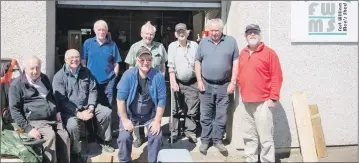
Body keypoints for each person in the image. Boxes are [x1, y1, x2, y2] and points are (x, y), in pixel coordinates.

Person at [53, 49, 114, 162]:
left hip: (87, 106)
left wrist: (91, 106)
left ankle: (103, 140)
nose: (75, 60)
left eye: (77, 57)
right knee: (72, 125)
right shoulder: (59, 77)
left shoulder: (86, 72)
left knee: (106, 112)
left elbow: (93, 90)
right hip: (70, 111)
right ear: (65, 60)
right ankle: (75, 150)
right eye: (71, 58)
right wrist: (77, 113)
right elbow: (61, 100)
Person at [9, 56, 70, 163]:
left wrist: (58, 112)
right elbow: (14, 110)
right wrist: (28, 129)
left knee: (64, 137)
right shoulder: (17, 85)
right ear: (25, 69)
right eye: (32, 68)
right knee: (50, 137)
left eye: (37, 68)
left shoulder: (44, 78)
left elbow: (52, 96)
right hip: (35, 120)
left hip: (52, 118)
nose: (35, 71)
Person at [237, 24, 283, 163]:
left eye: (255, 32)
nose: (252, 34)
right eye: (249, 32)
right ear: (245, 36)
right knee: (249, 136)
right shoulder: (243, 53)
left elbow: (277, 76)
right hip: (246, 102)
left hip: (263, 102)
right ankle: (251, 160)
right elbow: (240, 74)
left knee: (265, 138)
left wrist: (273, 98)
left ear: (259, 34)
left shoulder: (269, 53)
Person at [194, 18, 239, 155]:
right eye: (211, 30)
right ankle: (205, 141)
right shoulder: (203, 42)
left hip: (224, 85)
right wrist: (199, 80)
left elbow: (236, 62)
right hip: (206, 84)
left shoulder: (231, 42)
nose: (214, 33)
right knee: (205, 115)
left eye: (217, 30)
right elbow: (197, 62)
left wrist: (233, 82)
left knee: (221, 115)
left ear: (222, 30)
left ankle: (218, 140)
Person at [117, 47, 166, 163]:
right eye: (142, 59)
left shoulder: (158, 76)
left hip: (150, 115)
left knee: (156, 136)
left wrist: (157, 121)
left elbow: (162, 101)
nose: (145, 62)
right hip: (130, 114)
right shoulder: (128, 75)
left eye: (148, 59)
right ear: (136, 60)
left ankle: (153, 161)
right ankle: (125, 160)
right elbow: (120, 100)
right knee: (124, 137)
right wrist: (124, 120)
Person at [124, 21, 167, 148]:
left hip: (155, 84)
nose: (149, 36)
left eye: (151, 34)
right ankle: (140, 137)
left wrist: (162, 79)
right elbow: (130, 66)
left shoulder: (160, 47)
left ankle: (154, 134)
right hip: (139, 84)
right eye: (146, 34)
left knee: (155, 108)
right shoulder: (135, 47)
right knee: (138, 110)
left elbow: (163, 65)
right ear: (142, 34)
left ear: (154, 35)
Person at [167, 23, 200, 143]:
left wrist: (200, 81)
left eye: (183, 31)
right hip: (177, 82)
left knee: (191, 109)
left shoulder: (195, 45)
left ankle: (190, 132)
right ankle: (174, 133)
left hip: (192, 82)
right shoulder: (172, 46)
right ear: (175, 34)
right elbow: (171, 66)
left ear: (187, 32)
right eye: (179, 32)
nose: (181, 33)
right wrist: (173, 82)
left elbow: (198, 63)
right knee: (175, 109)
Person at [81, 20, 122, 109]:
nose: (101, 32)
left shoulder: (112, 44)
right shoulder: (88, 43)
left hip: (108, 81)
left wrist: (115, 76)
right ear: (94, 30)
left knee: (108, 106)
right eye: (99, 30)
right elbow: (83, 60)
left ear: (107, 31)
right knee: (92, 104)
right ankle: (93, 123)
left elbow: (116, 63)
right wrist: (85, 74)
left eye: (103, 30)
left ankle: (107, 123)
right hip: (92, 80)